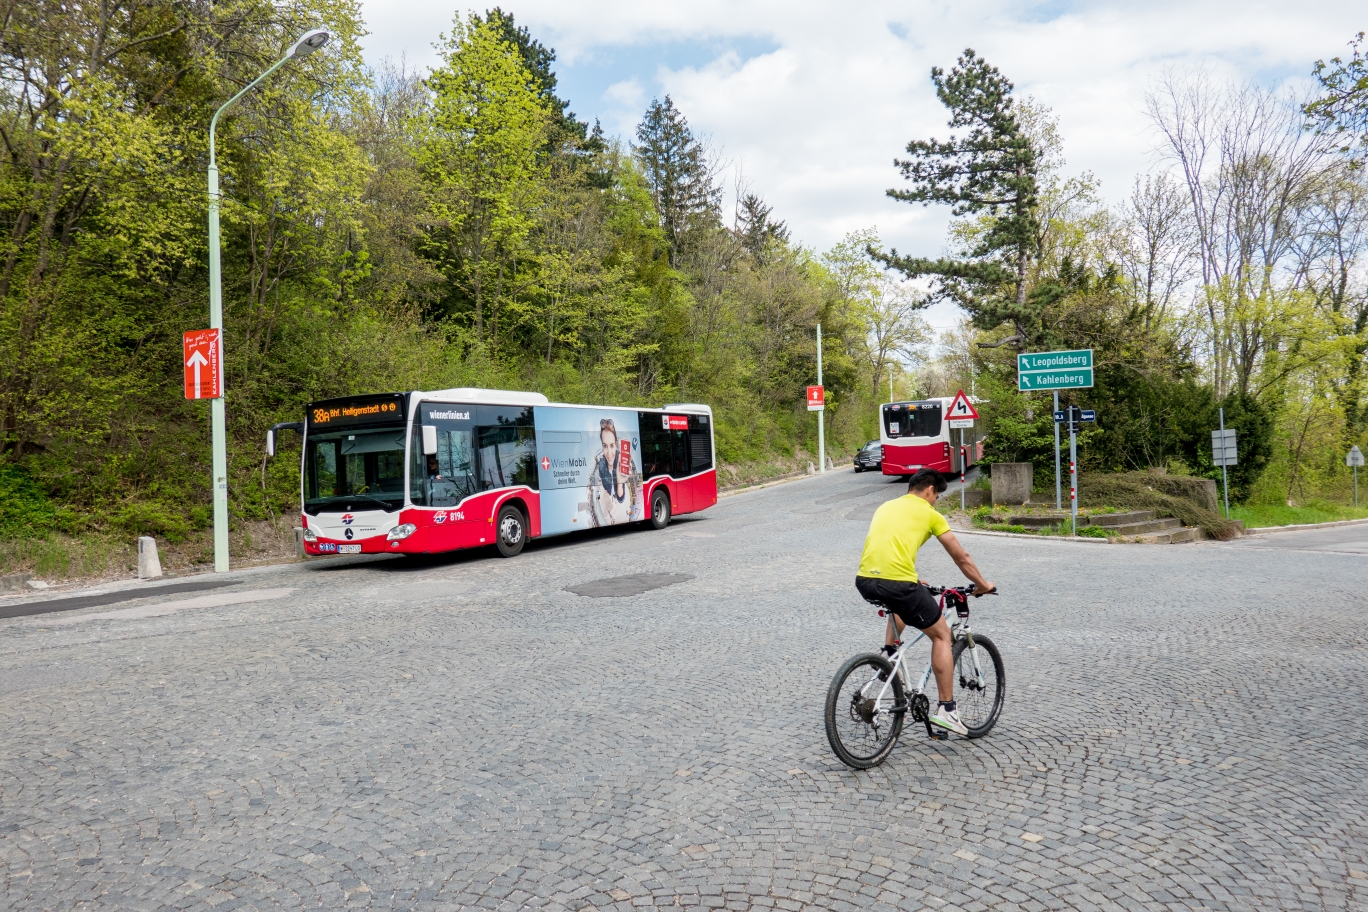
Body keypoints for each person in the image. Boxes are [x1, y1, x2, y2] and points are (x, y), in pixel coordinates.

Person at [855, 468, 996, 737]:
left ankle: (889, 655)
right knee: (942, 635)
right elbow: (961, 556)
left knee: (904, 601)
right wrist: (983, 585)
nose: (936, 501)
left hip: (865, 580)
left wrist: (913, 579)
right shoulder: (930, 514)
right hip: (897, 583)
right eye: (938, 496)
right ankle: (947, 710)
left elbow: (889, 548)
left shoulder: (886, 506)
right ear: (930, 489)